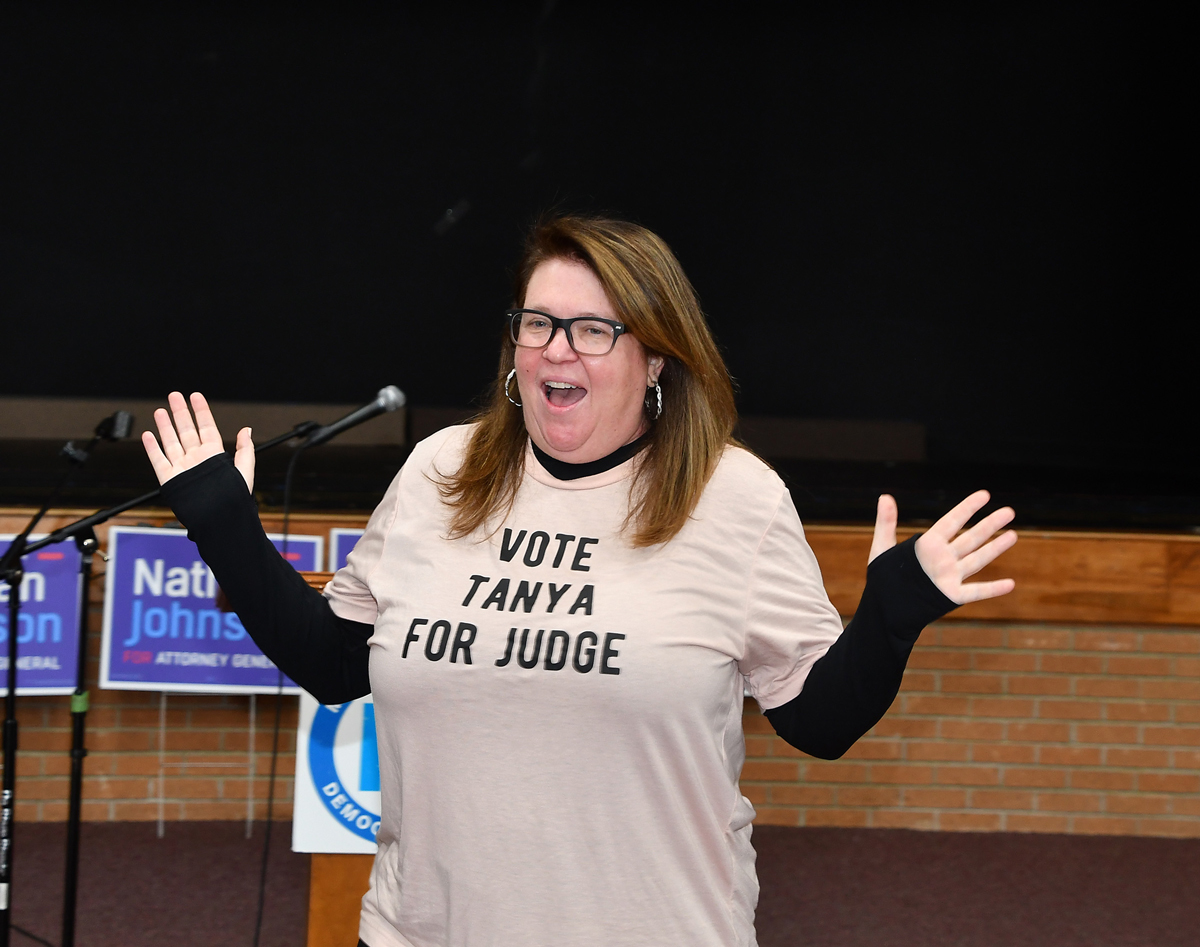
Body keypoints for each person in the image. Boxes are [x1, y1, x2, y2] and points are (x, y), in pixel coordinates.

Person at [142, 215, 1017, 947]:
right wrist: (228, 531)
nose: (559, 349)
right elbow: (335, 663)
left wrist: (891, 615)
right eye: (539, 323)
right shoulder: (439, 472)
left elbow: (821, 723)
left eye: (595, 329)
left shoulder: (735, 498)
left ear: (657, 358)